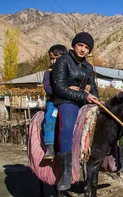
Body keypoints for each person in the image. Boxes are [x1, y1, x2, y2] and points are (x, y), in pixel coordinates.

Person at [51, 32, 99, 191]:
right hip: (66, 101)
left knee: (105, 122)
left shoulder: (88, 67)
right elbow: (59, 88)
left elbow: (93, 88)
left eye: (87, 48)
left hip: (83, 100)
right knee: (67, 125)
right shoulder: (62, 61)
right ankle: (66, 172)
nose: (83, 50)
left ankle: (113, 160)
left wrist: (97, 100)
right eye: (80, 45)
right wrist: (83, 95)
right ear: (74, 45)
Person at [43, 44, 67, 160]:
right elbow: (48, 89)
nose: (54, 61)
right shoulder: (48, 73)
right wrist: (64, 91)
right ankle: (50, 145)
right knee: (51, 117)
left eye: (56, 58)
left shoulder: (69, 72)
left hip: (68, 100)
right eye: (51, 58)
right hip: (54, 101)